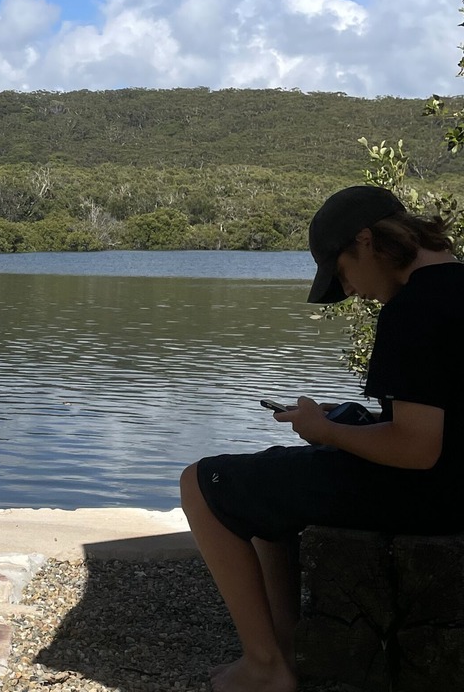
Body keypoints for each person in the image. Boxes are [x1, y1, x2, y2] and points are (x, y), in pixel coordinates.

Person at [179, 185, 463, 692]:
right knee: (269, 485)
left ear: (366, 241)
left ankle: (265, 667)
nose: (349, 289)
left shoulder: (413, 307)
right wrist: (352, 421)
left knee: (202, 482)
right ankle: (286, 647)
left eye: (343, 272)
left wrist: (326, 430)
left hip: (430, 496)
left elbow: (417, 449)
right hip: (451, 485)